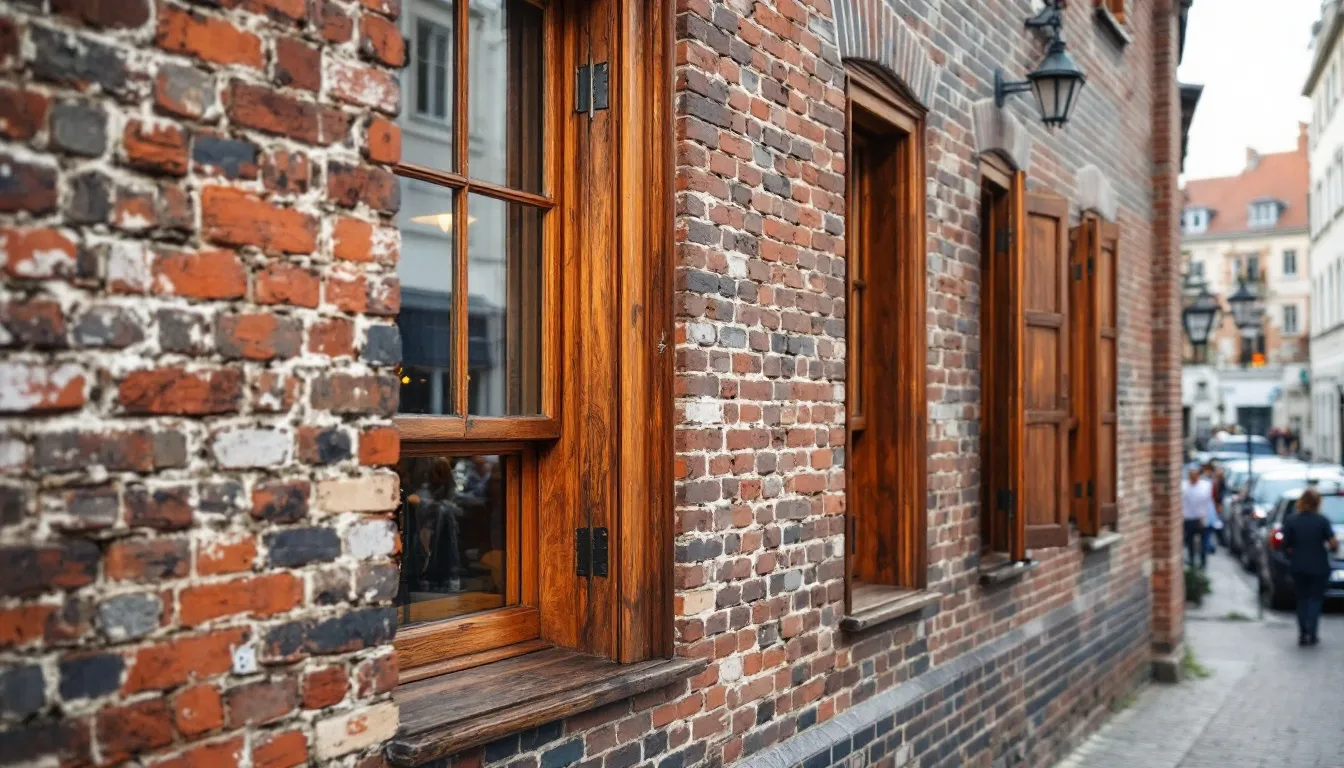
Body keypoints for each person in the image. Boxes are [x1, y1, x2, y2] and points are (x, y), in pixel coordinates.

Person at [1282, 488, 1339, 646]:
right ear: (1317, 503)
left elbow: (1285, 545)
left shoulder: (1291, 520)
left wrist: (1291, 557)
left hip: (1298, 565)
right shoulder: (1322, 520)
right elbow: (1333, 543)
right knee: (1315, 599)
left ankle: (1302, 633)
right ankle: (1312, 632)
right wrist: (1332, 549)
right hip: (1319, 566)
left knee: (1301, 599)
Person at [1181, 467, 1214, 569]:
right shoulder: (1184, 486)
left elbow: (1208, 502)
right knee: (1190, 541)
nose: (1193, 477)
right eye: (1191, 475)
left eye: (1195, 474)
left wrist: (1205, 516)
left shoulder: (1205, 486)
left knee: (1204, 542)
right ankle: (1191, 560)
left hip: (1202, 517)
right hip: (1188, 518)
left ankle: (1203, 562)